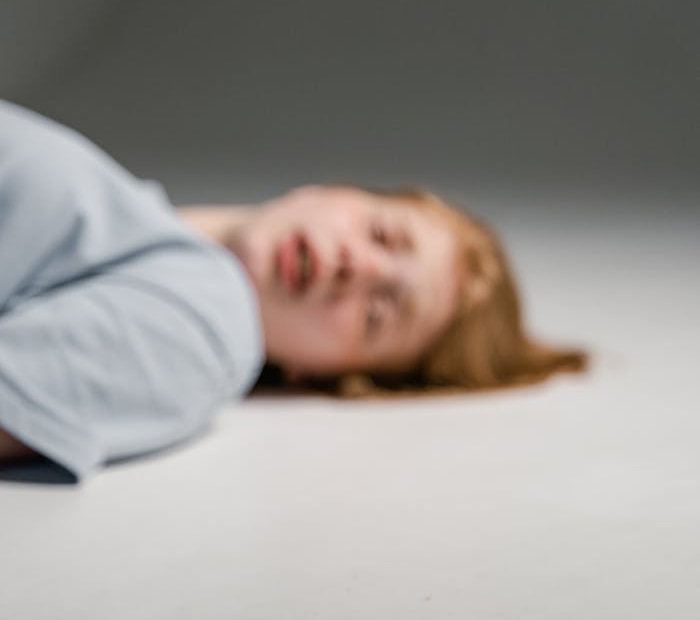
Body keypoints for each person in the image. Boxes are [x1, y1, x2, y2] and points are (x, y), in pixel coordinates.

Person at [0, 99, 586, 480]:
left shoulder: (208, 327)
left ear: (324, 373)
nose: (359, 269)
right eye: (383, 233)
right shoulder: (140, 227)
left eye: (377, 316)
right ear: (338, 190)